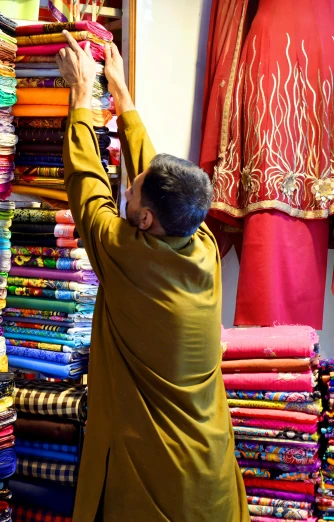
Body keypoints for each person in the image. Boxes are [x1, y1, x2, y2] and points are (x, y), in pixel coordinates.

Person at [55, 32, 249, 521]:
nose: (128, 187)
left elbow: (87, 186)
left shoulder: (125, 256)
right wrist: (121, 96)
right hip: (209, 477)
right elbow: (153, 175)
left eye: (132, 192)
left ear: (144, 222)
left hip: (155, 484)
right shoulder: (199, 243)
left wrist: (82, 97)